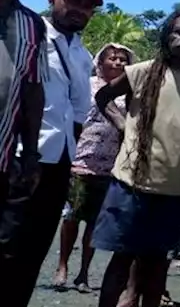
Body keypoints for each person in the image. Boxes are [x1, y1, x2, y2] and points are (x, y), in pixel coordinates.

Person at [84, 8, 180, 307]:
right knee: (121, 257)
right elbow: (103, 98)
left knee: (158, 262)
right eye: (179, 31)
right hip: (131, 179)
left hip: (175, 186)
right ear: (167, 36)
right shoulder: (143, 72)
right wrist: (121, 125)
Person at [0, 0, 97, 307]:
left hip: (59, 158)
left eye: (88, 5)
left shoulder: (82, 53)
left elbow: (78, 110)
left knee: (34, 246)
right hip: (21, 151)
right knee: (7, 241)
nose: (80, 10)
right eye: (73, 1)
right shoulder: (28, 30)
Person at [0, 0, 50, 307]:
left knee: (7, 247)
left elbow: (33, 91)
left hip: (7, 157)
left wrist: (31, 154)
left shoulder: (32, 25)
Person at [56, 43, 134, 293]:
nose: (118, 63)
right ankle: (62, 266)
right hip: (81, 158)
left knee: (93, 222)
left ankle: (83, 274)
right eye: (113, 58)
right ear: (101, 62)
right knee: (71, 216)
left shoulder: (128, 92)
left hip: (110, 164)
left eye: (123, 59)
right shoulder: (87, 86)